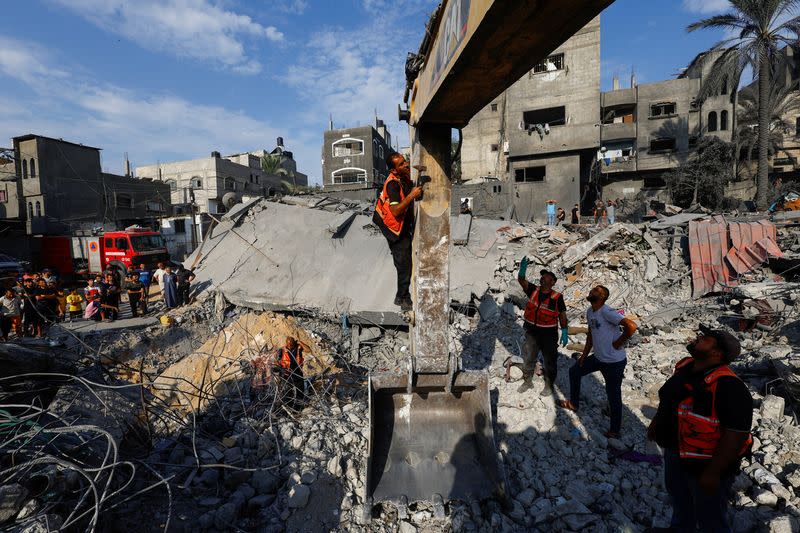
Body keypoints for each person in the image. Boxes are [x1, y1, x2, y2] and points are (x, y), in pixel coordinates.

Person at [647, 326, 753, 533]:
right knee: (679, 501)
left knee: (709, 516)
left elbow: (736, 435)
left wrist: (713, 473)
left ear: (716, 353)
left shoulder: (730, 386)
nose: (698, 338)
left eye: (706, 339)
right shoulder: (686, 368)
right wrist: (656, 423)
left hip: (705, 464)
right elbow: (670, 399)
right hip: (676, 452)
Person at [559, 285, 637, 438]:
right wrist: (583, 356)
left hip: (614, 363)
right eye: (592, 289)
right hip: (598, 358)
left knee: (613, 395)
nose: (591, 291)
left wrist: (618, 343)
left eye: (596, 291)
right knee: (574, 371)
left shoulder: (607, 312)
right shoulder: (590, 312)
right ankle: (573, 404)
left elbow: (631, 326)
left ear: (602, 297)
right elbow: (590, 335)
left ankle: (615, 430)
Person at [373, 152, 423, 311]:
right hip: (392, 228)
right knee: (403, 262)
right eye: (401, 164)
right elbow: (395, 211)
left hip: (399, 224)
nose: (406, 164)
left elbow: (409, 190)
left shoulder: (404, 178)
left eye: (405, 161)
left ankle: (403, 295)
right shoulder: (392, 185)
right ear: (394, 170)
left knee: (405, 257)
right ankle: (402, 297)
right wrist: (412, 196)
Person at [516, 257, 569, 396]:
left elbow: (562, 314)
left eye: (546, 276)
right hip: (532, 330)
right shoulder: (533, 290)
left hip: (548, 333)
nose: (542, 277)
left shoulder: (557, 297)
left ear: (552, 282)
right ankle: (527, 381)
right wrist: (522, 270)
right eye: (542, 275)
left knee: (549, 360)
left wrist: (564, 330)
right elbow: (522, 281)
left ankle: (549, 385)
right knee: (529, 356)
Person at [273, 336, 310, 408]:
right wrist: (282, 369)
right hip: (286, 374)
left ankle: (299, 407)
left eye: (291, 344)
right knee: (287, 392)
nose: (289, 345)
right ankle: (288, 407)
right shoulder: (282, 350)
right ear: (286, 343)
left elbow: (308, 350)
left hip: (297, 372)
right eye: (288, 343)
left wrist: (301, 342)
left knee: (300, 391)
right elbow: (276, 362)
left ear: (294, 343)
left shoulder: (298, 347)